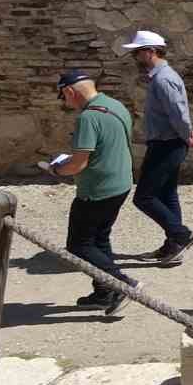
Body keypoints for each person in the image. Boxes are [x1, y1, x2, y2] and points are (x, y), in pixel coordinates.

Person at [48, 70, 140, 316]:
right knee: (99, 240)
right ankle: (103, 292)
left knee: (79, 245)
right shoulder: (115, 105)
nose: (66, 103)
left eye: (63, 97)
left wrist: (56, 170)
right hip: (120, 184)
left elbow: (78, 164)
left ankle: (121, 284)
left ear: (69, 91)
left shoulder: (87, 118)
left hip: (96, 191)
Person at [123, 31, 193, 264]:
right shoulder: (161, 77)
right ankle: (173, 246)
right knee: (167, 194)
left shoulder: (163, 79)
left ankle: (182, 235)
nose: (135, 57)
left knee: (144, 197)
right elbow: (178, 113)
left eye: (137, 52)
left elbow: (177, 112)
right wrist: (187, 132)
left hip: (167, 144)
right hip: (168, 142)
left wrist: (187, 134)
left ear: (151, 51)